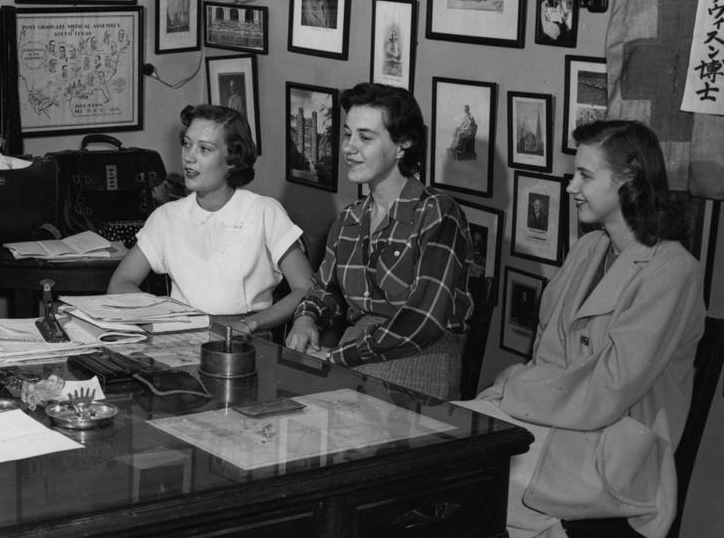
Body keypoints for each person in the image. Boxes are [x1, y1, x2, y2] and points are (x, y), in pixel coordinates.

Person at [464, 120, 704, 538]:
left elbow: (611, 390)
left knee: (474, 475)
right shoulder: (591, 248)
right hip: (564, 423)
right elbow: (551, 352)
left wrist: (515, 390)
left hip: (622, 449)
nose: (571, 187)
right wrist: (518, 391)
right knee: (450, 446)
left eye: (584, 176)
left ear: (630, 179)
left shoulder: (672, 269)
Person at [285, 83, 478, 399]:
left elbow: (424, 321)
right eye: (348, 134)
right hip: (356, 354)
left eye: (365, 137)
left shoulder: (438, 214)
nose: (349, 147)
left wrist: (337, 357)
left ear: (403, 144)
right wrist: (306, 317)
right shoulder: (349, 219)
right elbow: (325, 289)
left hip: (418, 361)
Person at [107, 104, 313, 337]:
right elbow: (120, 283)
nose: (189, 157)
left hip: (247, 340)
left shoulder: (264, 212)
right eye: (187, 144)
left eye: (205, 149)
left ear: (233, 159)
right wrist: (162, 314)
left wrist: (252, 324)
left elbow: (305, 288)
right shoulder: (166, 217)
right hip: (180, 336)